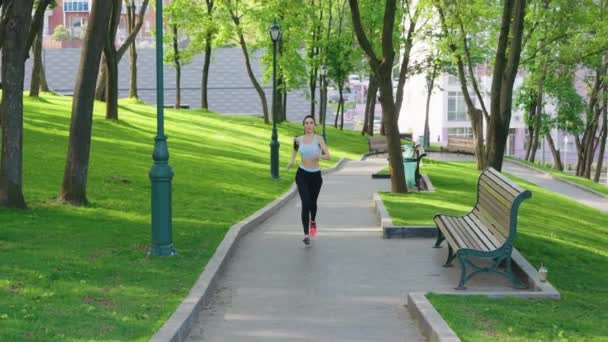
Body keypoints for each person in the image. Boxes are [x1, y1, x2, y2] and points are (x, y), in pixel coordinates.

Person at [287, 115, 330, 246]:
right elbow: (294, 150)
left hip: (316, 176)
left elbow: (328, 156)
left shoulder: (319, 139)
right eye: (306, 123)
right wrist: (291, 161)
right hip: (302, 175)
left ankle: (313, 221)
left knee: (312, 203)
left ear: (314, 126)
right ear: (304, 125)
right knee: (305, 203)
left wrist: (320, 156)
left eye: (311, 123)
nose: (309, 125)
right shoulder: (298, 139)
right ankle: (306, 234)